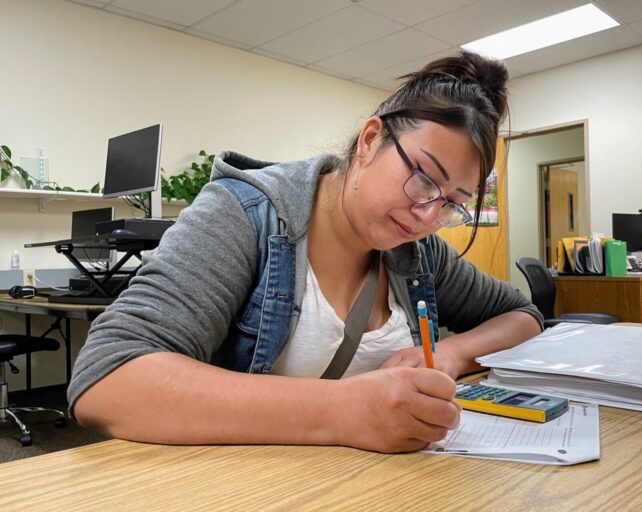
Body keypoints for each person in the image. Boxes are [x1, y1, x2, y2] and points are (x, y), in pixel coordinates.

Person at [68, 51, 543, 454]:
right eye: (423, 179)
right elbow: (108, 379)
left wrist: (450, 353)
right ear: (371, 139)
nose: (426, 215)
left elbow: (523, 316)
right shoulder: (244, 216)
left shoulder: (417, 251)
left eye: (451, 204)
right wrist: (345, 411)